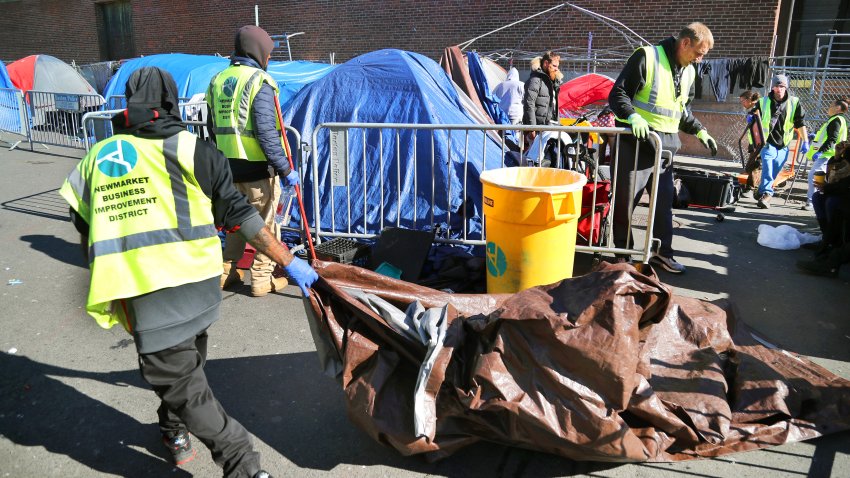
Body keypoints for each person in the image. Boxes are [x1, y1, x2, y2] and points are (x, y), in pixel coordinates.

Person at [59, 66, 318, 478]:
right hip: (198, 289)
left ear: (128, 101)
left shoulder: (97, 158)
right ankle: (172, 430)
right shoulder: (194, 149)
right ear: (171, 100)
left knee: (186, 387)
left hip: (146, 295)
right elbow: (239, 215)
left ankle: (243, 466)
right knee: (186, 375)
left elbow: (82, 223)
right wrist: (290, 262)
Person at [608, 23, 718, 274]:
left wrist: (700, 130)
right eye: (699, 52)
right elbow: (618, 95)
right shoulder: (647, 57)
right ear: (685, 43)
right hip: (635, 145)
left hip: (665, 149)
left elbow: (681, 111)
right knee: (626, 205)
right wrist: (633, 117)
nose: (701, 59)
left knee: (663, 205)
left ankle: (661, 254)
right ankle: (623, 258)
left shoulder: (689, 71)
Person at [206, 25, 299, 297]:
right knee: (266, 225)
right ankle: (261, 278)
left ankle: (228, 271)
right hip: (258, 170)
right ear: (259, 52)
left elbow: (211, 127)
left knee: (235, 222)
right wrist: (284, 169)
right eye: (268, 53)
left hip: (227, 171)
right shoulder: (260, 81)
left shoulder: (218, 80)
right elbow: (267, 132)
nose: (269, 59)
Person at [752, 74, 808, 208]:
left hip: (783, 144)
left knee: (774, 171)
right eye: (777, 86)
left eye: (782, 86)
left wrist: (805, 141)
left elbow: (800, 123)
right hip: (767, 142)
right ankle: (767, 194)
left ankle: (760, 190)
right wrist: (750, 118)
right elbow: (753, 116)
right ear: (772, 87)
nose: (779, 89)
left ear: (786, 87)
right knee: (767, 166)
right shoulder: (763, 101)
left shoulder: (794, 102)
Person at [798, 140, 850, 276]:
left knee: (834, 204)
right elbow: (834, 173)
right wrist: (837, 156)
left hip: (843, 193)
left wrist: (828, 188)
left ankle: (832, 255)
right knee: (818, 198)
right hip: (840, 190)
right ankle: (827, 241)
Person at [802, 98, 848, 210]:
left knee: (814, 176)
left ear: (837, 108)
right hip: (829, 154)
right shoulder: (836, 119)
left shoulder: (836, 120)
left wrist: (820, 151)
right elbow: (826, 136)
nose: (829, 108)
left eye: (831, 106)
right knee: (819, 177)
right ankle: (816, 200)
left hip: (827, 154)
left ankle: (811, 201)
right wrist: (815, 137)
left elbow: (832, 139)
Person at [522, 51, 562, 142]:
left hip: (551, 126)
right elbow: (529, 104)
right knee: (535, 155)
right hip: (538, 129)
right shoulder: (535, 80)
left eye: (557, 66)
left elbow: (554, 105)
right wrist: (532, 128)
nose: (557, 69)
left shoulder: (554, 82)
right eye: (554, 66)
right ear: (546, 63)